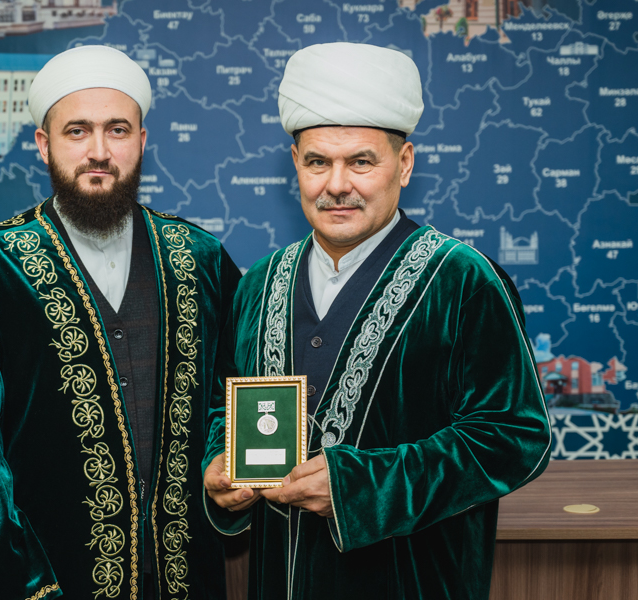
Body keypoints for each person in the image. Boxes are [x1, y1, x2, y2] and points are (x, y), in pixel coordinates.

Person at [202, 42, 552, 599]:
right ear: (295, 164)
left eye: (361, 162)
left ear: (404, 163)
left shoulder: (464, 280)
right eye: (318, 162)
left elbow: (514, 436)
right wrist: (219, 465)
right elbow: (224, 406)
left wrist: (361, 486)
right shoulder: (258, 283)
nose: (337, 184)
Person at [0, 45, 241, 600]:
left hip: (186, 572)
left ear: (141, 141)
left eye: (117, 130)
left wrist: (224, 457)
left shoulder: (200, 256)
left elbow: (232, 394)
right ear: (43, 145)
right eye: (77, 131)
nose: (99, 151)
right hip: (51, 577)